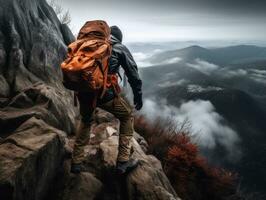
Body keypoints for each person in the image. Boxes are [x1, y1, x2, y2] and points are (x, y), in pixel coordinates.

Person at [70, 25, 143, 174]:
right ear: (119, 38)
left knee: (85, 120)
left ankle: (76, 162)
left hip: (84, 91)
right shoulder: (119, 48)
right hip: (104, 93)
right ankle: (123, 161)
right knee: (127, 115)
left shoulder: (89, 44)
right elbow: (133, 73)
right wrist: (138, 95)